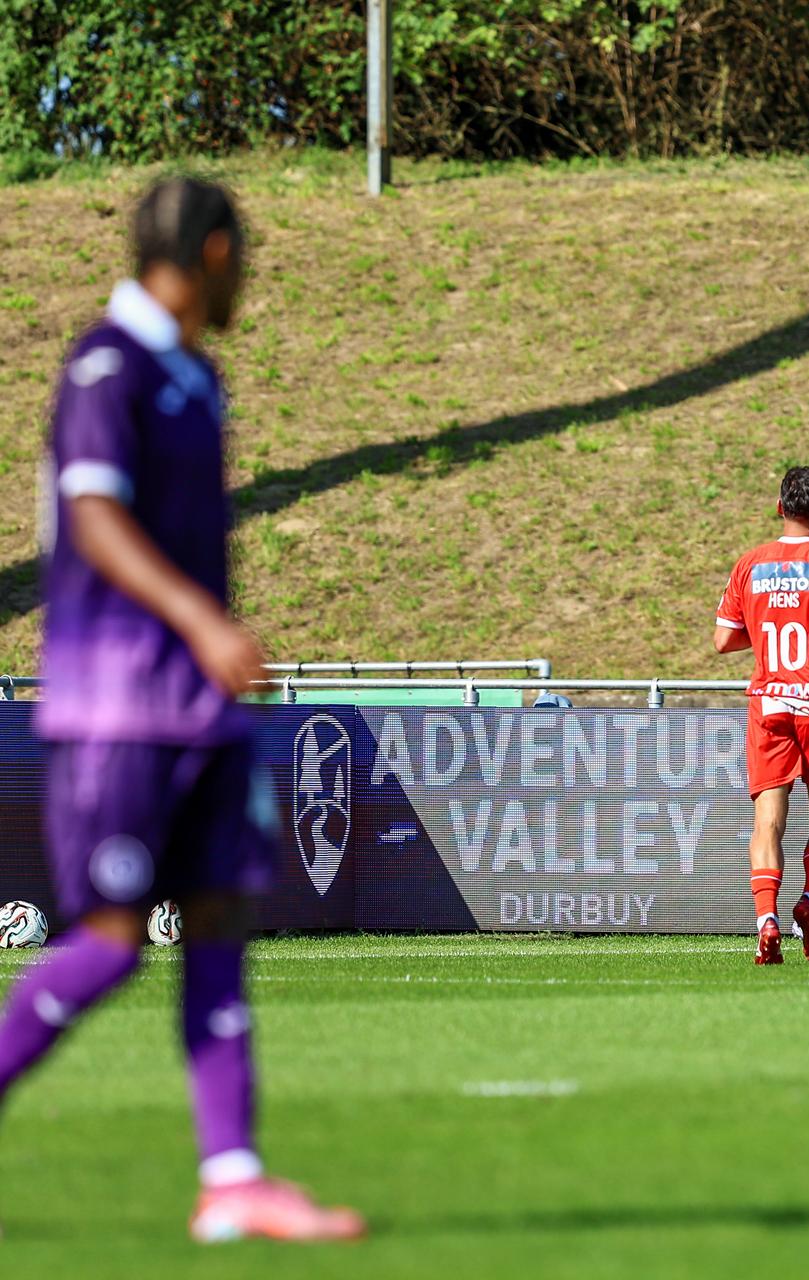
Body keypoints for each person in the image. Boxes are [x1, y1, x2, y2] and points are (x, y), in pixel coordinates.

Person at [0, 177, 363, 1241]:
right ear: (211, 253)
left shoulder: (195, 378)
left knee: (216, 924)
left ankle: (234, 1174)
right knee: (112, 938)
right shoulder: (106, 363)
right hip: (117, 703)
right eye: (242, 253)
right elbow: (95, 518)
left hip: (197, 708)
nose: (249, 273)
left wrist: (208, 646)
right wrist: (202, 620)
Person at [714, 466, 809, 965]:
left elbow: (723, 638)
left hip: (770, 702)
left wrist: (765, 623)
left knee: (767, 822)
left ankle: (766, 920)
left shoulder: (750, 564)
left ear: (780, 507)